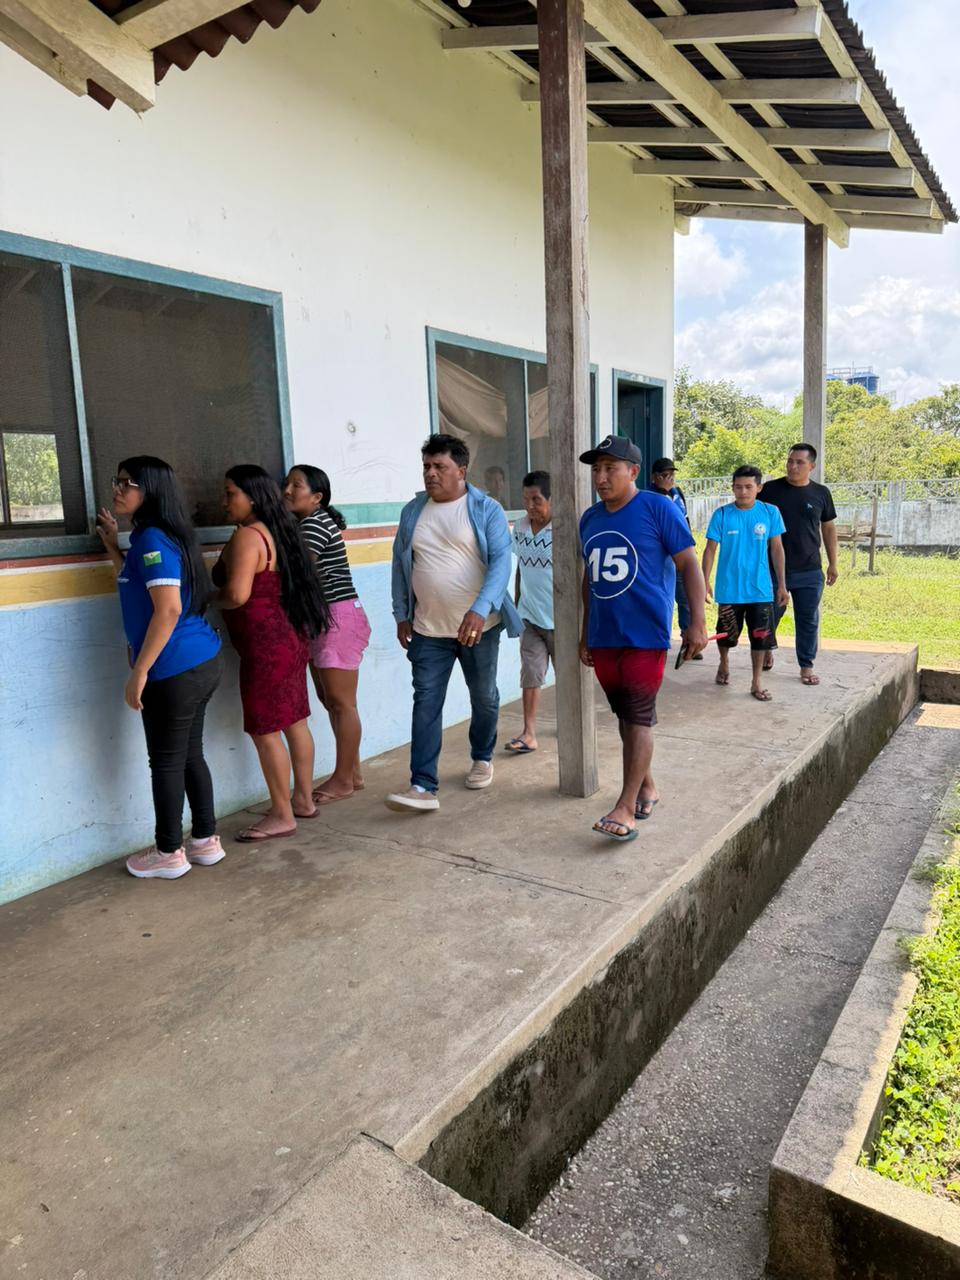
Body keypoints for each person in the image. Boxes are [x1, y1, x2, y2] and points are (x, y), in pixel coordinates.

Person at [96, 456, 223, 880]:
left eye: (127, 483)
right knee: (189, 754)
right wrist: (113, 547)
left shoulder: (152, 538)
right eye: (117, 481)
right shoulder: (161, 536)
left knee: (166, 762)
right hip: (200, 659)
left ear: (150, 490)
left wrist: (140, 671)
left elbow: (167, 610)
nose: (118, 490)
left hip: (174, 668)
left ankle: (169, 851)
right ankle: (205, 841)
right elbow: (137, 585)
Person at [579, 435, 707, 841]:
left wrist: (697, 622)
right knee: (626, 717)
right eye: (596, 469)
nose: (601, 477)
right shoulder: (590, 518)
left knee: (637, 717)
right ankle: (648, 786)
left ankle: (625, 805)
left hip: (645, 634)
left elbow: (689, 564)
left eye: (610, 468)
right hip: (604, 636)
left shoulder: (658, 508)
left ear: (633, 471)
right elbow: (589, 579)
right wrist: (584, 632)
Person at [386, 433, 522, 812]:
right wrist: (401, 613)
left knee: (484, 696)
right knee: (426, 702)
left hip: (479, 628)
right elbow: (400, 564)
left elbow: (501, 562)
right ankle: (422, 785)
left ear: (461, 471)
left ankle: (482, 756)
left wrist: (480, 609)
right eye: (426, 466)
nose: (431, 473)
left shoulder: (486, 509)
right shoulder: (413, 512)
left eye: (439, 467)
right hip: (428, 629)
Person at [212, 465, 329, 842]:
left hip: (265, 647)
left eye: (230, 493)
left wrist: (205, 600)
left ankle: (281, 814)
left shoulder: (249, 536)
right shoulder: (279, 531)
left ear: (252, 497)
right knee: (295, 721)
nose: (224, 501)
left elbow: (236, 595)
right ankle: (303, 800)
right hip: (290, 638)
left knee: (264, 730)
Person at [283, 465, 370, 804]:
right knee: (332, 700)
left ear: (317, 497)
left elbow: (298, 570)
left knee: (341, 703)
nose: (287, 490)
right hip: (323, 618)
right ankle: (353, 773)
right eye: (287, 484)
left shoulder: (315, 524)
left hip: (337, 618)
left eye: (297, 485)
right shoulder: (305, 524)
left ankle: (344, 779)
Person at [701, 466, 788, 702]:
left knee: (760, 637)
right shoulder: (722, 514)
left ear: (759, 488)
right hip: (729, 589)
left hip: (760, 589)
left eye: (749, 487)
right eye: (738, 487)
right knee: (726, 635)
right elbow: (710, 550)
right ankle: (724, 662)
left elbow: (777, 549)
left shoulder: (770, 512)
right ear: (732, 488)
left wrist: (782, 584)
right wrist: (704, 580)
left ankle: (756, 681)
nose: (743, 492)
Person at [761, 443, 840, 686]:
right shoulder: (769, 490)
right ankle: (767, 647)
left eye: (799, 462)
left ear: (811, 466)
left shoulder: (821, 493)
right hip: (774, 569)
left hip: (809, 569)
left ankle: (806, 665)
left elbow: (828, 528)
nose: (793, 466)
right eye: (790, 461)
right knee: (769, 614)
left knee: (808, 619)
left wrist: (833, 563)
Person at [506, 470, 553, 755]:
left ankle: (574, 723)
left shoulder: (564, 529)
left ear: (551, 498)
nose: (530, 506)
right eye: (526, 500)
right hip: (530, 616)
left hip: (561, 620)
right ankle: (529, 733)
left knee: (570, 679)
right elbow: (521, 568)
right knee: (531, 674)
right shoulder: (521, 528)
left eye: (536, 500)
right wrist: (517, 604)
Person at [649, 456, 700, 659]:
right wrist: (662, 491)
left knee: (685, 599)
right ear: (654, 477)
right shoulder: (649, 497)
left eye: (671, 475)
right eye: (664, 475)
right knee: (661, 599)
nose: (669, 479)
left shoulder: (677, 494)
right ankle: (657, 640)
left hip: (680, 554)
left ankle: (688, 640)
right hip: (661, 559)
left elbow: (684, 521)